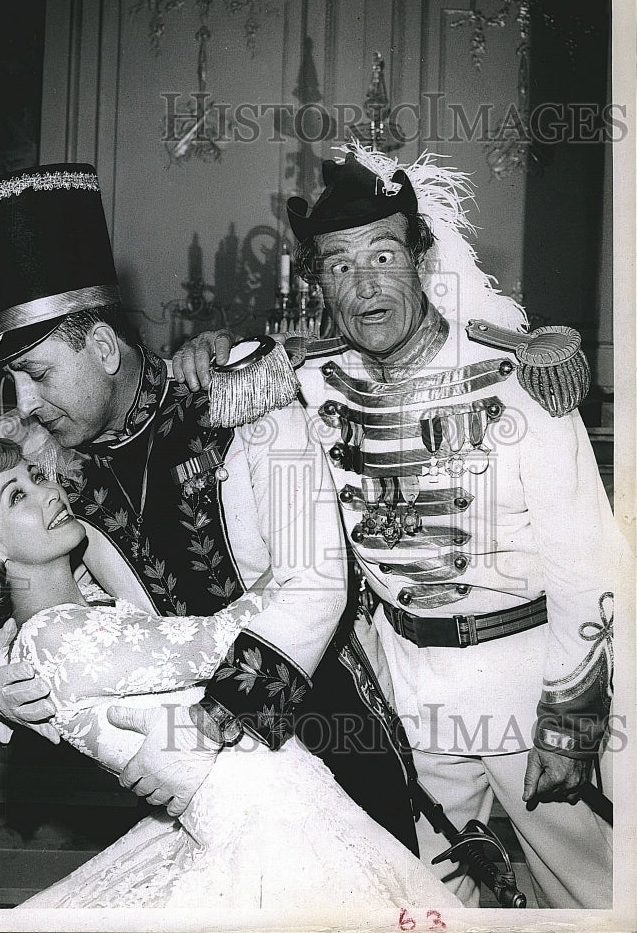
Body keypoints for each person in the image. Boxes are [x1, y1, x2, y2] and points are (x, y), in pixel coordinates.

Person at [172, 141, 622, 909]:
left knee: (587, 882)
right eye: (339, 265)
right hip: (399, 682)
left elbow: (589, 560)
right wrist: (205, 351)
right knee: (433, 884)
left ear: (420, 257)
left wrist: (570, 718)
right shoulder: (303, 377)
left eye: (382, 255)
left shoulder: (518, 376)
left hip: (522, 675)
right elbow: (211, 393)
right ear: (317, 282)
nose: (364, 284)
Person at [0, 162, 418, 850]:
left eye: (35, 374)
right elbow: (21, 585)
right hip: (195, 786)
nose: (24, 406)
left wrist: (217, 722)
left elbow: (313, 581)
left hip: (321, 719)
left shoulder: (236, 394)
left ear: (101, 347)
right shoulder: (41, 466)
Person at [0, 433, 460, 912]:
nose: (50, 490)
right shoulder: (57, 637)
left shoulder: (66, 620)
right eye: (17, 494)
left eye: (35, 476)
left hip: (272, 801)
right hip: (271, 822)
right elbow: (220, 640)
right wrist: (312, 557)